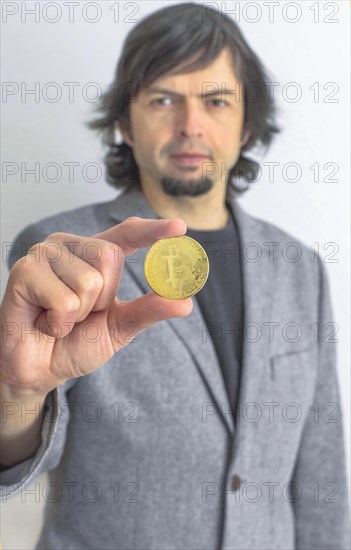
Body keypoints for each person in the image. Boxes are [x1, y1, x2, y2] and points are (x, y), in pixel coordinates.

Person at [1, 3, 349, 549]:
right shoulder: (60, 253)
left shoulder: (300, 267)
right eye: (163, 99)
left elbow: (321, 474)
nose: (190, 125)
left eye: (216, 102)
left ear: (247, 123)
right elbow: (18, 462)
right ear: (124, 124)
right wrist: (17, 394)